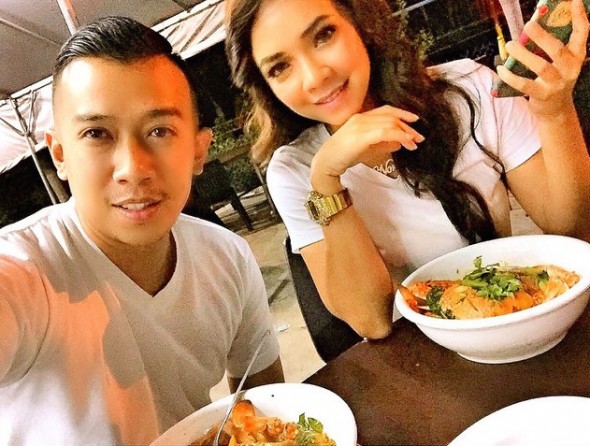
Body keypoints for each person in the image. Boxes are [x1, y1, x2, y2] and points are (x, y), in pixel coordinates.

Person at [224, 0, 590, 339]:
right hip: (420, 360)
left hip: (518, 319)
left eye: (324, 35)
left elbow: (573, 229)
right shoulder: (295, 170)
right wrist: (326, 182)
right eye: (280, 67)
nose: (314, 78)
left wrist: (555, 111)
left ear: (359, 22)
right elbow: (372, 321)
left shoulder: (471, 90)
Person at [0, 16, 283, 445]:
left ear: (198, 150)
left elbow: (265, 395)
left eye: (159, 131)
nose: (132, 168)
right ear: (59, 154)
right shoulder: (26, 272)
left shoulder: (227, 257)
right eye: (97, 133)